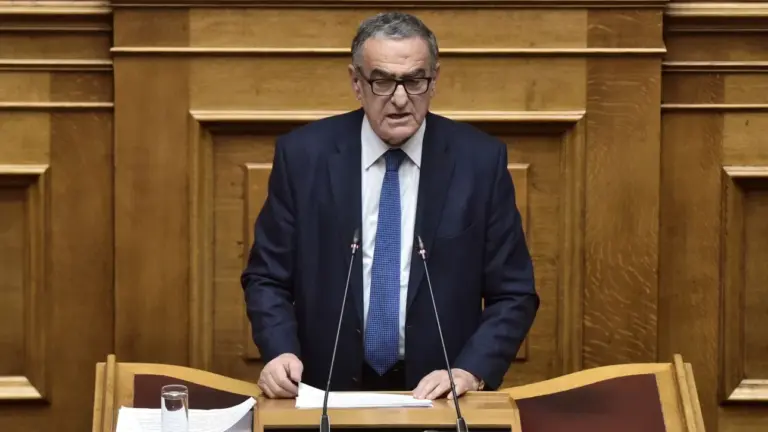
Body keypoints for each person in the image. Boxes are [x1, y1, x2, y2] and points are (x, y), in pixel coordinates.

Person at [241, 11, 539, 400]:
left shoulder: (479, 162)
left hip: (439, 397)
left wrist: (471, 371)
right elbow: (266, 277)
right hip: (324, 391)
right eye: (382, 81)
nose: (399, 99)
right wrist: (280, 350)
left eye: (414, 81)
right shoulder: (303, 157)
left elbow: (514, 292)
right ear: (356, 82)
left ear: (434, 81)